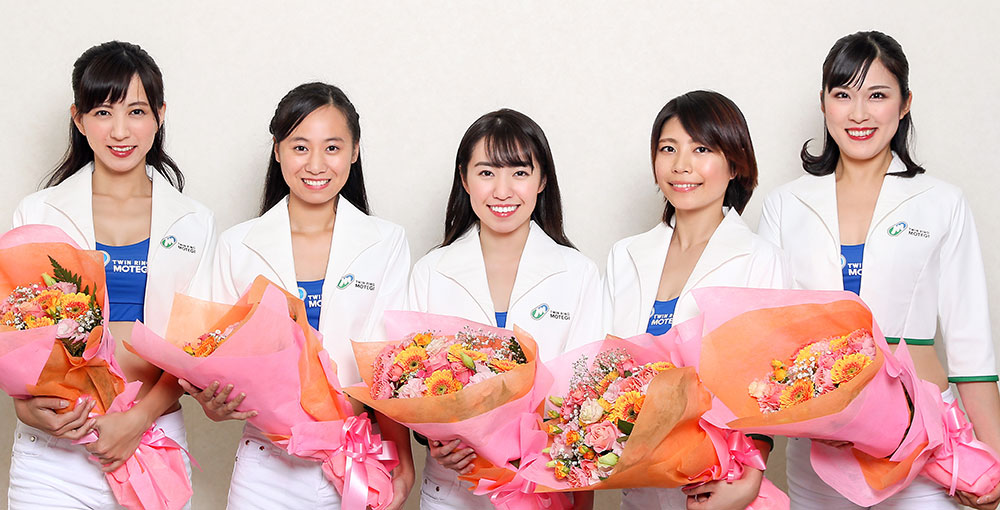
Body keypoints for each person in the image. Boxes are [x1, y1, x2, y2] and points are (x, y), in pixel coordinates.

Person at [759, 30, 1000, 510]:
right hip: (820, 455)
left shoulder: (942, 202)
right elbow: (766, 337)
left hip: (924, 443)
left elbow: (972, 351)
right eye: (842, 95)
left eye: (877, 95)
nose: (858, 114)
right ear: (823, 103)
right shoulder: (786, 205)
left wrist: (994, 464)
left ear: (905, 103)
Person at [8, 40, 214, 509]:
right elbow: (19, 332)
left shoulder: (193, 221)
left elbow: (194, 347)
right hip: (55, 450)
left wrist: (137, 420)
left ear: (160, 115)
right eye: (103, 112)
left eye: (136, 111)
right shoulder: (39, 212)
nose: (120, 131)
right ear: (79, 120)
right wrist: (27, 409)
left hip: (153, 438)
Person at [192, 82, 413, 509]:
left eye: (332, 148)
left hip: (356, 458)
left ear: (354, 151)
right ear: (277, 151)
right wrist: (212, 403)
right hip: (265, 466)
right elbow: (209, 355)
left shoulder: (386, 243)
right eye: (299, 147)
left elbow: (389, 364)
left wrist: (402, 460)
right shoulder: (238, 246)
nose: (315, 164)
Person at [408, 108, 602, 509]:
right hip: (452, 491)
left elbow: (587, 394)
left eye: (519, 172)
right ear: (464, 179)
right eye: (486, 172)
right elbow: (408, 384)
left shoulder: (579, 273)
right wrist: (432, 439)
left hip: (543, 488)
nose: (502, 191)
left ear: (542, 180)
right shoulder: (431, 271)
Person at [604, 90, 788, 509]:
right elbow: (601, 373)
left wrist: (751, 476)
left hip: (717, 487)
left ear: (735, 163)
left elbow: (767, 381)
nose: (681, 165)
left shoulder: (760, 259)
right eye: (668, 149)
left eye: (701, 149)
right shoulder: (624, 255)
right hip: (636, 485)